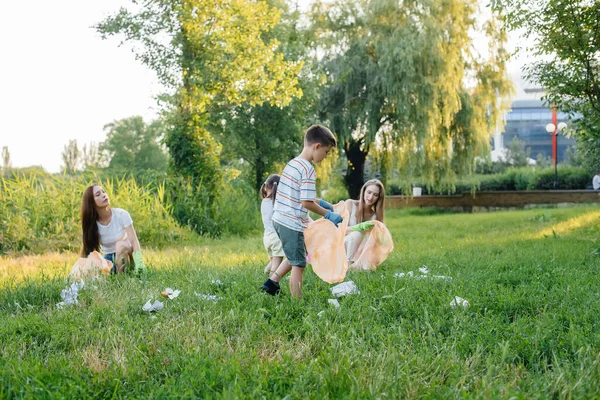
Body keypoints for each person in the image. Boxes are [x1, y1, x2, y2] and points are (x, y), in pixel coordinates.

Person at [261, 124, 342, 297]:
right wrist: (328, 214)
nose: (325, 157)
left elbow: (296, 195)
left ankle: (271, 283)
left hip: (280, 220)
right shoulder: (308, 169)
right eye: (326, 152)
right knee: (299, 264)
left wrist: (321, 202)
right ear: (317, 147)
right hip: (292, 223)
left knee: (295, 254)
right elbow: (306, 203)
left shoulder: (292, 164)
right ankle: (296, 302)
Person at [81, 184, 147, 275]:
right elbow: (89, 251)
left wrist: (139, 263)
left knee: (120, 245)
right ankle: (113, 274)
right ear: (91, 202)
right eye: (98, 194)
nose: (104, 195)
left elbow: (134, 241)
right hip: (108, 259)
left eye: (104, 192)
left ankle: (123, 278)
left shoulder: (121, 214)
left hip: (127, 255)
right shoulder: (92, 224)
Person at [344, 179, 386, 264]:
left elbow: (373, 241)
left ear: (379, 198)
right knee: (356, 234)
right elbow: (339, 230)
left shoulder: (375, 217)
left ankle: (357, 263)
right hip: (341, 246)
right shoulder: (350, 204)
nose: (370, 197)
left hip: (358, 251)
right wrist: (358, 227)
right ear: (363, 191)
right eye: (369, 192)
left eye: (375, 195)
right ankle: (349, 266)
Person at [260, 174, 285, 275]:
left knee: (273, 262)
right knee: (276, 265)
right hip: (276, 238)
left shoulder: (264, 202)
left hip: (267, 237)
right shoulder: (277, 203)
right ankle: (272, 283)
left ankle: (265, 274)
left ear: (266, 187)